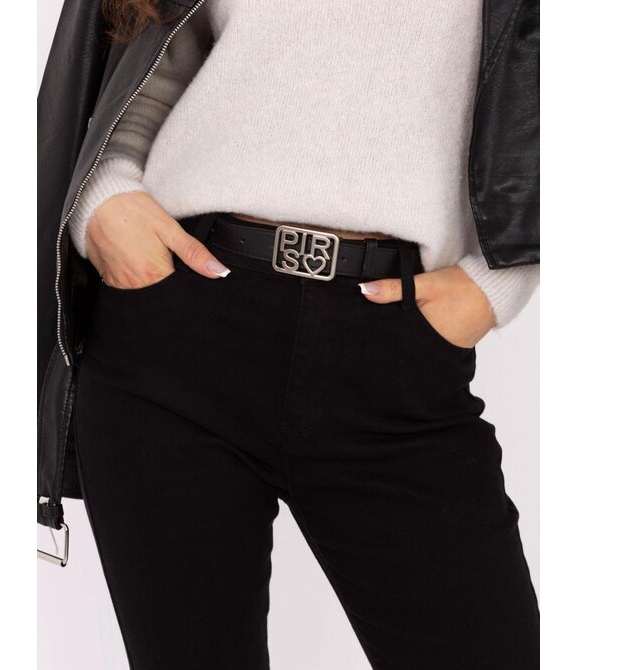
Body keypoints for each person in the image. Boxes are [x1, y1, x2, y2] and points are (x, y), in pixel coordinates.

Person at [38, 1, 540, 668]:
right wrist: (104, 198)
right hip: (176, 328)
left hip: (396, 354)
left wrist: (500, 279)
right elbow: (156, 57)